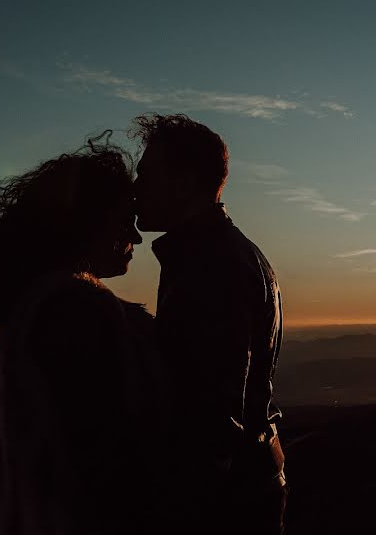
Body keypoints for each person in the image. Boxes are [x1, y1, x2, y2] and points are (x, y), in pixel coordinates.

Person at [0, 134, 160, 534]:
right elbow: (99, 458)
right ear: (86, 225)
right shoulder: (77, 309)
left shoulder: (37, 302)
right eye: (124, 222)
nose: (136, 239)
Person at [132, 113, 289, 534]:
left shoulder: (209, 266)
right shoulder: (230, 253)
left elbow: (213, 417)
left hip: (227, 501)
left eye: (145, 175)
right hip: (249, 485)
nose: (135, 190)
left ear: (183, 184)